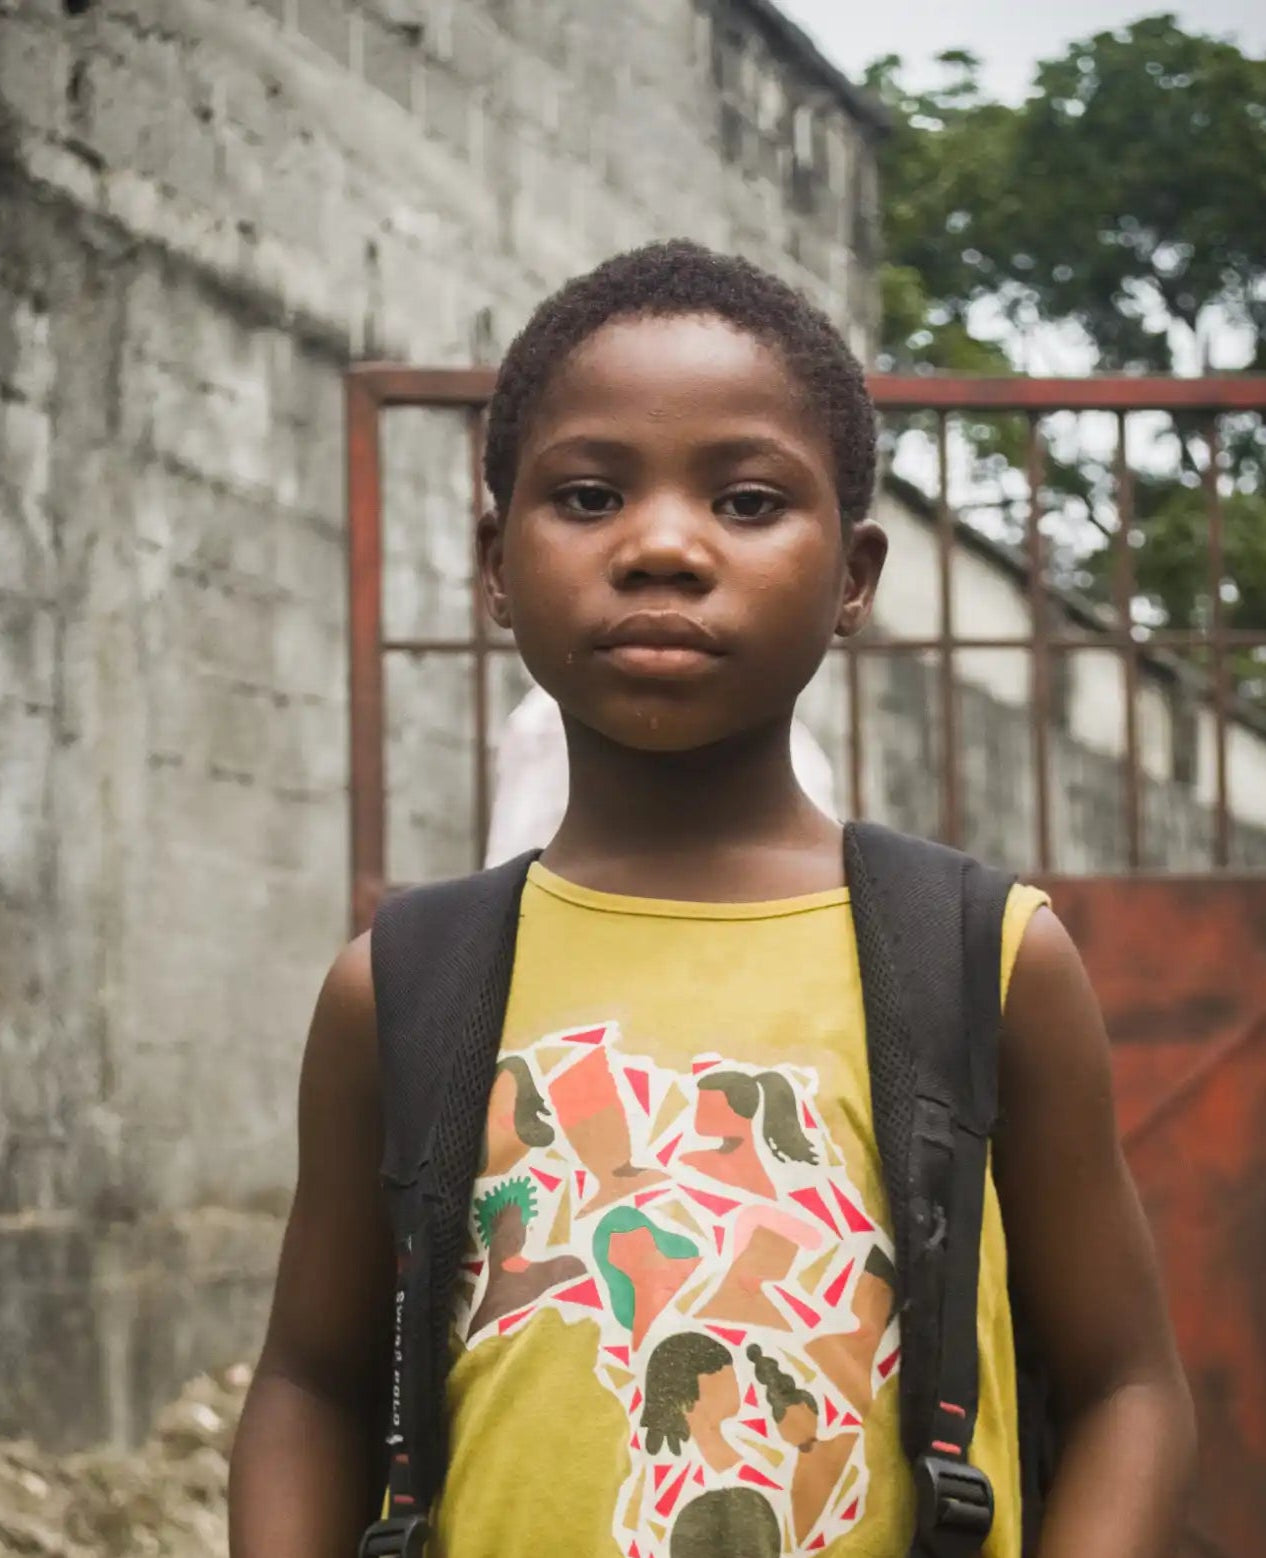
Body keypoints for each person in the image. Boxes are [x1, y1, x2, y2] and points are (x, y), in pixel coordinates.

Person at [229, 241, 1194, 1558]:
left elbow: (1128, 1386)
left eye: (744, 501)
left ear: (850, 576)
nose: (664, 546)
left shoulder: (982, 956)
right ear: (495, 562)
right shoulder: (399, 981)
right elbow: (310, 1381)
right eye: (585, 495)